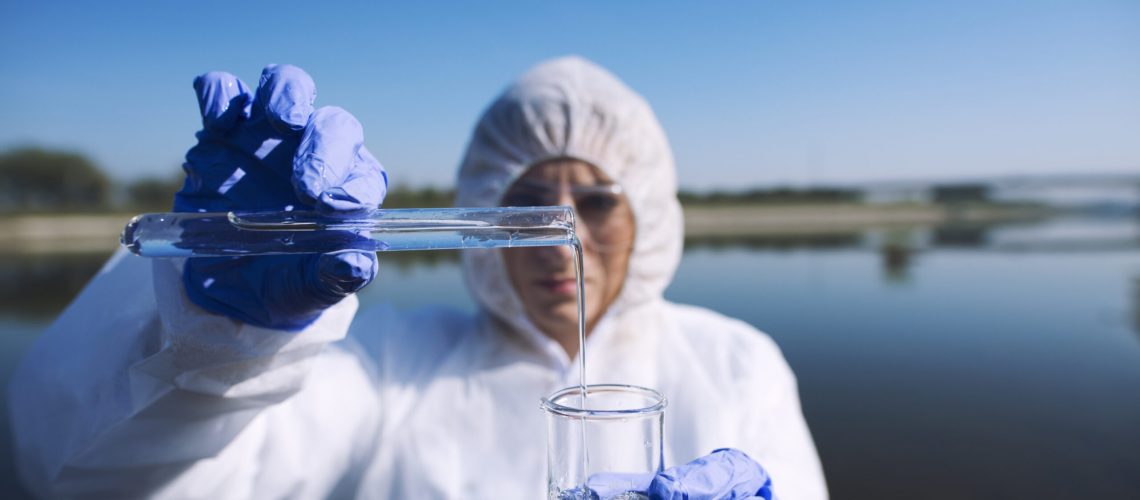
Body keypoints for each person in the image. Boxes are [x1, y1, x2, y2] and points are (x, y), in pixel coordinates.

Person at [9, 57, 828, 499]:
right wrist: (212, 335)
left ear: (647, 214)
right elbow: (106, 481)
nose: (560, 235)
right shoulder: (392, 364)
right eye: (531, 202)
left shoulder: (735, 362)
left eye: (600, 202)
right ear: (483, 214)